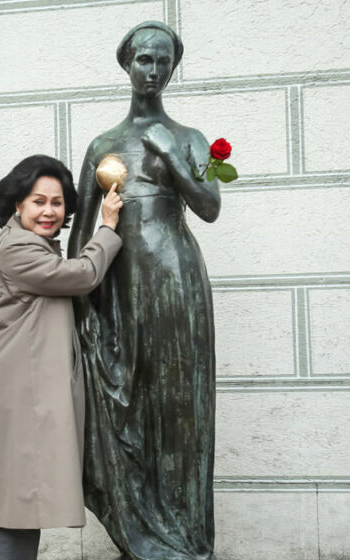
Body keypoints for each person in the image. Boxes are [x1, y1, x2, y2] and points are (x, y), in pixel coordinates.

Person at [68, 22, 220, 559]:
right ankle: (139, 530)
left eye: (162, 61)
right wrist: (78, 304)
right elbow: (80, 231)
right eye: (143, 60)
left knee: (181, 407)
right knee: (127, 405)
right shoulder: (102, 145)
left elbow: (210, 207)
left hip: (176, 280)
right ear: (126, 64)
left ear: (172, 69)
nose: (153, 70)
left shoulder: (188, 138)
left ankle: (186, 536)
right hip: (119, 285)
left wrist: (173, 158)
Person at [0, 154, 123, 560]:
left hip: (33, 386)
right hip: (25, 390)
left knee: (26, 500)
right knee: (17, 501)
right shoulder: (18, 249)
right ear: (18, 205)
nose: (49, 211)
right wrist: (108, 228)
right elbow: (82, 276)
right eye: (38, 201)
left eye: (57, 202)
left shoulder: (32, 242)